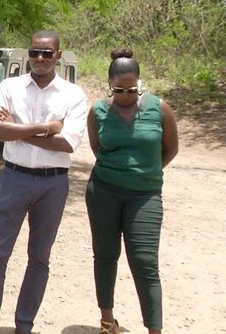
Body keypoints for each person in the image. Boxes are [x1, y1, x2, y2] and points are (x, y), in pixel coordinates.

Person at [0, 30, 88, 334]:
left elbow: (68, 144)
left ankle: (24, 325)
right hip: (14, 177)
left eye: (46, 53)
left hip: (53, 185)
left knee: (39, 257)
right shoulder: (9, 87)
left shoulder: (72, 95)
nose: (39, 58)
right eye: (34, 52)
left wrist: (18, 129)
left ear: (58, 57)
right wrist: (46, 127)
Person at [85, 48, 178, 334]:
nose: (126, 94)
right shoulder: (98, 111)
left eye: (132, 88)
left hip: (145, 195)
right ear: (109, 85)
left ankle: (154, 329)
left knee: (145, 262)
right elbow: (97, 149)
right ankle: (106, 321)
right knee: (105, 255)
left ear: (140, 82)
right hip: (103, 192)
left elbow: (171, 149)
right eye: (119, 89)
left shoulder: (159, 108)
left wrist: (145, 173)